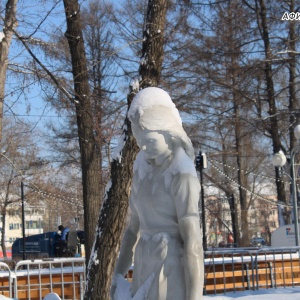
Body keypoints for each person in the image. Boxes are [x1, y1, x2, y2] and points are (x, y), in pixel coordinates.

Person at [111, 87, 204, 300]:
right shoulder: (142, 168)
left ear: (169, 132)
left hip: (170, 268)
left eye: (150, 141)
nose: (144, 148)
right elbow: (132, 231)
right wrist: (116, 275)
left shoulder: (181, 174)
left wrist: (194, 297)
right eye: (139, 142)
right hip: (144, 263)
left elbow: (193, 243)